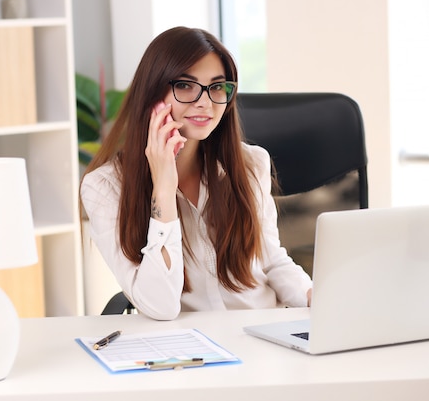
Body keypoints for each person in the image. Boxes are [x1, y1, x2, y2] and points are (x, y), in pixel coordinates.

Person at [80, 26, 312, 320]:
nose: (204, 102)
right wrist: (163, 187)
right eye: (186, 85)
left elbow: (271, 261)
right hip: (191, 350)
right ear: (152, 94)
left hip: (262, 334)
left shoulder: (251, 163)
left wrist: (311, 295)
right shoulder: (103, 187)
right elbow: (160, 306)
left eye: (217, 87)